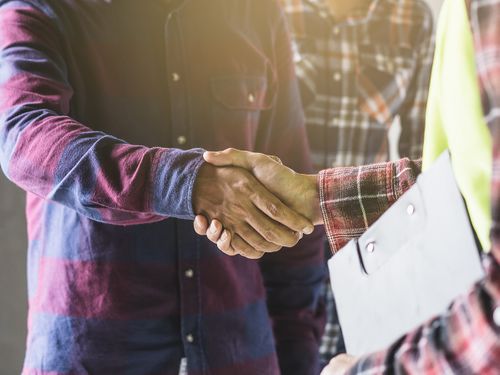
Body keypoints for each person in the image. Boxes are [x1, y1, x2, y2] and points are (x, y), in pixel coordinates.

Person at [0, 0, 325, 374]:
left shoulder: (258, 13)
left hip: (241, 354)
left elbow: (293, 205)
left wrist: (301, 357)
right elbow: (25, 134)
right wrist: (189, 183)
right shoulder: (40, 9)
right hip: (92, 355)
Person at [194, 0, 500, 372]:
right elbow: (456, 174)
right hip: (275, 244)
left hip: (371, 254)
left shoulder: (424, 17)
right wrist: (316, 196)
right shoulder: (268, 13)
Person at [278, 0, 434, 362]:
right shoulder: (271, 10)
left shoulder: (412, 17)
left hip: (362, 249)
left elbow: (424, 156)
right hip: (272, 246)